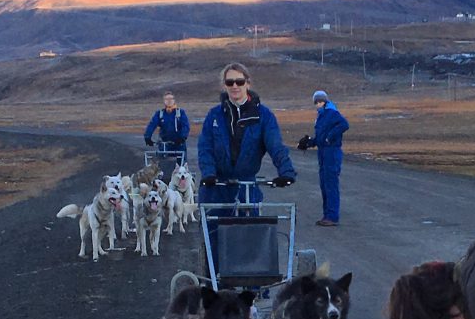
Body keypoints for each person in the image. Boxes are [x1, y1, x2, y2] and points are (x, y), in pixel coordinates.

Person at [197, 62, 295, 210]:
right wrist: (208, 173)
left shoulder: (263, 115)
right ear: (224, 86)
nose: (235, 86)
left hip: (247, 188)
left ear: (247, 84)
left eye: (239, 82)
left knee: (250, 230)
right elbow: (205, 147)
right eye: (230, 82)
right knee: (213, 230)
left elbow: (276, 146)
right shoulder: (214, 115)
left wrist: (286, 172)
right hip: (217, 187)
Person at [297, 90, 349, 227]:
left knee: (331, 184)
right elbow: (320, 139)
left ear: (324, 101)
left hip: (332, 152)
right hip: (323, 153)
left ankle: (332, 216)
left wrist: (329, 137)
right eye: (316, 102)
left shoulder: (332, 113)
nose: (317, 104)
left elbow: (344, 124)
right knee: (325, 185)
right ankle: (327, 215)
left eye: (319, 102)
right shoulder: (321, 116)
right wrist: (308, 143)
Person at [144, 91, 190, 161]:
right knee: (162, 165)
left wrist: (183, 137)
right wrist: (147, 137)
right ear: (164, 101)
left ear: (174, 100)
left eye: (171, 99)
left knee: (181, 167)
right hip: (164, 144)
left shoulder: (180, 113)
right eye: (167, 99)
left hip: (179, 144)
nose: (169, 101)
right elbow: (152, 125)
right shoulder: (160, 114)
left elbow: (185, 126)